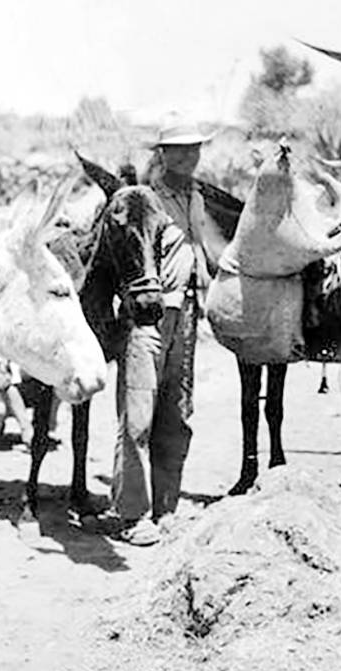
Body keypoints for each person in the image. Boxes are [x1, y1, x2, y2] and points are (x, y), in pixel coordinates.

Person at [109, 120, 215, 546]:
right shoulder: (144, 200)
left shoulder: (195, 197)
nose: (189, 157)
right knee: (137, 416)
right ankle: (131, 514)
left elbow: (197, 250)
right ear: (162, 154)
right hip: (148, 319)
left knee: (176, 413)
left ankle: (166, 508)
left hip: (186, 315)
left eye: (194, 149)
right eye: (179, 150)